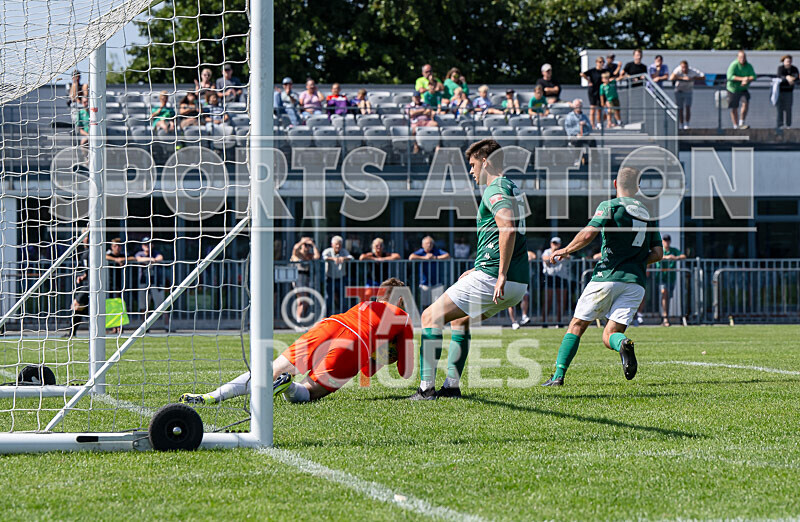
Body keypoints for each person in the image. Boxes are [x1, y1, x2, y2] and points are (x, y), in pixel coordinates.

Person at [409, 139, 529, 400]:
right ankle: (451, 386)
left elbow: (506, 228)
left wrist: (498, 274)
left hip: (496, 278)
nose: (472, 171)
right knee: (461, 321)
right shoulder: (513, 187)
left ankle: (425, 389)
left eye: (473, 164)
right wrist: (478, 269)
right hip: (518, 284)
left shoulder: (494, 187)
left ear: (485, 161)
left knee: (430, 317)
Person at [179, 278, 414, 405]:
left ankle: (213, 395)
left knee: (269, 370)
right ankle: (288, 386)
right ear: (401, 300)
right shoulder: (403, 318)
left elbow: (367, 370)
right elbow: (404, 372)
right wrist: (387, 356)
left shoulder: (364, 306)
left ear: (379, 296)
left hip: (329, 325)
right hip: (356, 343)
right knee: (309, 391)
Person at [541, 167, 663, 386]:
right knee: (610, 335)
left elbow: (589, 233)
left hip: (607, 276)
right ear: (637, 187)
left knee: (577, 325)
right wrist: (635, 261)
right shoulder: (647, 213)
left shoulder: (610, 206)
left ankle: (558, 376)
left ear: (615, 184)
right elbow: (658, 254)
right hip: (635, 282)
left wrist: (566, 250)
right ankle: (623, 342)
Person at [134, 237, 169, 331]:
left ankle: (167, 325)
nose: (147, 246)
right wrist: (151, 259)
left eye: (149, 244)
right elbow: (138, 259)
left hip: (155, 282)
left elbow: (160, 258)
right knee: (144, 306)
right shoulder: (140, 253)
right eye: (145, 244)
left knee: (162, 304)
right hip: (143, 282)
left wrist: (151, 259)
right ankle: (144, 326)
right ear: (142, 245)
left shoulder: (156, 252)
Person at [652, 234, 686, 327]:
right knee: (664, 294)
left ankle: (665, 316)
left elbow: (683, 256)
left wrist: (676, 257)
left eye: (668, 240)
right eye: (665, 240)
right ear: (662, 241)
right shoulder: (660, 250)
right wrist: (667, 257)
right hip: (661, 277)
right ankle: (665, 317)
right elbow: (655, 256)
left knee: (667, 297)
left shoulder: (673, 250)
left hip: (671, 278)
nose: (666, 242)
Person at [409, 236, 450, 309]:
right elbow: (411, 257)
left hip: (437, 283)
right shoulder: (421, 252)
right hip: (424, 283)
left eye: (431, 243)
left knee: (438, 305)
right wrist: (424, 258)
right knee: (425, 305)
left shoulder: (436, 251)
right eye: (427, 243)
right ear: (423, 245)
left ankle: (437, 319)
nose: (429, 245)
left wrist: (435, 258)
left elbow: (447, 256)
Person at [290, 237, 321, 326]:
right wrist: (302, 241)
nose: (307, 247)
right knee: (302, 300)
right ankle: (298, 320)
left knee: (304, 301)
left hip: (306, 277)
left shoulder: (309, 255)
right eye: (305, 245)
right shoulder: (297, 254)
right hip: (298, 277)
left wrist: (313, 245)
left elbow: (317, 256)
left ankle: (299, 319)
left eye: (308, 246)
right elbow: (295, 248)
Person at [541, 237, 569, 325]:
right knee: (547, 300)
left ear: (560, 244)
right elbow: (545, 259)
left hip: (561, 277)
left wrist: (556, 255)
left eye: (556, 243)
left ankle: (559, 321)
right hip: (549, 277)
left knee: (561, 300)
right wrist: (554, 254)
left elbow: (568, 257)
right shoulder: (547, 251)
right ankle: (544, 321)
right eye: (553, 243)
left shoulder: (563, 251)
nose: (554, 245)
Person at [322, 235, 353, 314]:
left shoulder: (343, 251)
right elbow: (324, 257)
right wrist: (333, 259)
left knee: (343, 299)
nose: (338, 246)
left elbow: (351, 257)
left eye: (339, 244)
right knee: (328, 299)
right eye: (336, 244)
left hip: (341, 278)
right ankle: (327, 317)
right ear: (332, 244)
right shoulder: (328, 251)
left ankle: (343, 317)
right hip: (329, 278)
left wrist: (344, 258)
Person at [670, 60, 705, 129]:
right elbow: (671, 78)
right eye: (683, 67)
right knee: (680, 108)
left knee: (688, 107)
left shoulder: (692, 71)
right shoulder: (678, 70)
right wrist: (682, 78)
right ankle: (681, 124)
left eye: (685, 67)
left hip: (688, 91)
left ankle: (687, 124)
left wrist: (692, 78)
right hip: (679, 91)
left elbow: (703, 77)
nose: (684, 69)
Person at [726, 50, 756, 130]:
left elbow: (753, 76)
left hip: (743, 89)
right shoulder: (734, 65)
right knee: (734, 107)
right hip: (733, 89)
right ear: (737, 58)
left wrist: (747, 79)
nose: (742, 59)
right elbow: (730, 77)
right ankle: (735, 126)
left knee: (745, 103)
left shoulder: (748, 66)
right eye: (740, 57)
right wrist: (742, 79)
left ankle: (741, 122)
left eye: (744, 57)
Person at [508, 250, 537, 329]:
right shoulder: (509, 252)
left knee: (525, 297)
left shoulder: (523, 253)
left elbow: (533, 256)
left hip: (521, 281)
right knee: (510, 302)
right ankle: (514, 322)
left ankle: (524, 316)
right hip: (510, 280)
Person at [581, 56, 606, 129]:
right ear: (596, 63)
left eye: (602, 62)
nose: (601, 63)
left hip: (601, 91)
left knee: (599, 109)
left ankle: (599, 123)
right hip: (593, 91)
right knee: (592, 108)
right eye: (600, 62)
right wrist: (589, 81)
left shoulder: (604, 71)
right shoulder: (592, 71)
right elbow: (582, 74)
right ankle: (592, 124)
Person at [776, 55, 798, 128]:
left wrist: (791, 78)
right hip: (780, 91)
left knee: (788, 108)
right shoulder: (780, 68)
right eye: (787, 61)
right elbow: (779, 77)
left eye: (790, 61)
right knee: (780, 108)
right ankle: (780, 125)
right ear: (784, 62)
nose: (788, 63)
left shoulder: (794, 69)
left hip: (789, 92)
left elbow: (796, 77)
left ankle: (788, 125)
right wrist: (787, 78)